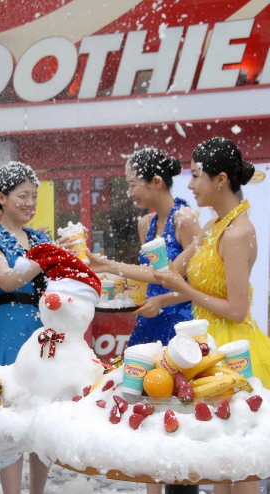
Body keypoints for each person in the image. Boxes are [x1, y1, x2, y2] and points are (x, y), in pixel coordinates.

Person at [88, 137, 270, 494]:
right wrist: (107, 264)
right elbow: (166, 273)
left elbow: (236, 310)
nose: (189, 184)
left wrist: (179, 290)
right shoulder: (214, 226)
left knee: (237, 464)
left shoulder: (239, 232)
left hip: (231, 348)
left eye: (197, 175)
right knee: (218, 463)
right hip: (204, 343)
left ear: (220, 179)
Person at [0, 161, 51, 494]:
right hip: (10, 325)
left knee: (43, 417)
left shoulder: (40, 237)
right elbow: (5, 279)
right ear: (1, 197)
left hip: (46, 328)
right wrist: (46, 257)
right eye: (22, 195)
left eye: (34, 196)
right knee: (11, 417)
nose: (30, 203)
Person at [126, 148, 200, 347]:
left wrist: (162, 301)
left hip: (180, 324)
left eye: (133, 184)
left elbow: (201, 289)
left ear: (156, 182)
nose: (130, 192)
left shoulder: (185, 220)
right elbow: (149, 276)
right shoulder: (145, 224)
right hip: (148, 322)